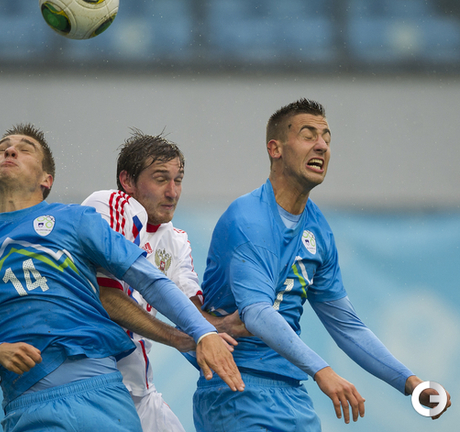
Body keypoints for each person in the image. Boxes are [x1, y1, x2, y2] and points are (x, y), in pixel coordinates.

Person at [0, 123, 244, 432]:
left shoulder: (75, 219)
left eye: (24, 149)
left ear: (46, 179)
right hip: (28, 406)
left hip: (103, 393)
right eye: (2, 148)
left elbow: (147, 278)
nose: (9, 150)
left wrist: (203, 333)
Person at [193, 99, 452, 431]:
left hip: (292, 394)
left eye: (327, 138)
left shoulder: (319, 230)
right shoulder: (248, 218)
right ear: (275, 149)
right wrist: (322, 371)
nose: (322, 145)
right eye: (308, 135)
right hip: (235, 389)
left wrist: (410, 382)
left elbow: (347, 326)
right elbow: (256, 313)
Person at [82, 129, 250, 431]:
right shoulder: (111, 205)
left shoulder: (177, 240)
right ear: (127, 181)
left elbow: (190, 312)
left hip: (139, 388)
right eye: (161, 179)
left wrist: (224, 326)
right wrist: (182, 339)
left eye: (178, 180)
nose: (172, 192)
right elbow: (106, 298)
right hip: (92, 382)